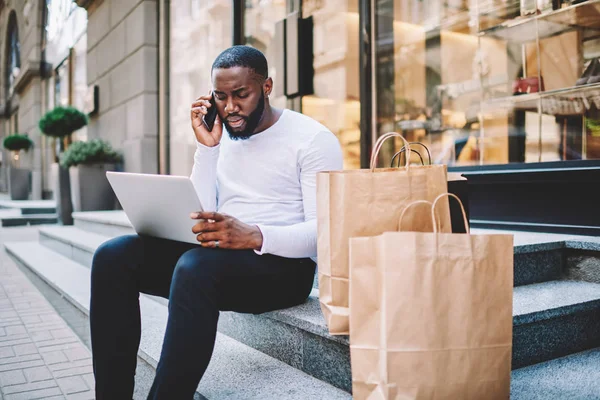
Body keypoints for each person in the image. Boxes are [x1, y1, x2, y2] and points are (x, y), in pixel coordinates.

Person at [89, 45, 343, 399]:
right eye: (220, 97)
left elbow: (325, 234)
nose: (230, 107)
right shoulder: (222, 136)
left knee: (195, 268)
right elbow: (202, 207)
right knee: (112, 257)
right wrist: (207, 148)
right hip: (219, 257)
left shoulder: (313, 140)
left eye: (241, 94)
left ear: (266, 87)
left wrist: (254, 236)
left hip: (285, 268)